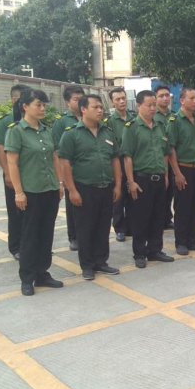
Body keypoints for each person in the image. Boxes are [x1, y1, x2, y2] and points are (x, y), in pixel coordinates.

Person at [4, 89, 65, 296]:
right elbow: (12, 163)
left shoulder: (47, 130)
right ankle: (27, 278)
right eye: (38, 105)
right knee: (29, 236)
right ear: (25, 106)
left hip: (50, 189)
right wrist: (18, 192)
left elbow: (55, 158)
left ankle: (42, 273)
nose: (42, 109)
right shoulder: (16, 131)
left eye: (44, 105)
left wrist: (59, 183)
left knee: (46, 234)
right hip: (30, 192)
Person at [58, 94, 123, 280]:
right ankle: (87, 265)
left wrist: (118, 185)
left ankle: (101, 262)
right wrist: (72, 190)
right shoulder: (71, 134)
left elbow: (115, 159)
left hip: (106, 187)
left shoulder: (107, 132)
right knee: (85, 228)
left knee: (103, 226)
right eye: (95, 107)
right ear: (83, 109)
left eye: (101, 107)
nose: (100, 110)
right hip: (84, 188)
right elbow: (64, 163)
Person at [122, 90, 174, 268]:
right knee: (140, 218)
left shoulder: (160, 126)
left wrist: (165, 175)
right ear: (138, 106)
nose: (153, 108)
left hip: (159, 178)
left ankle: (155, 250)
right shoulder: (131, 128)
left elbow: (165, 152)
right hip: (141, 179)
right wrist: (131, 182)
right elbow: (127, 157)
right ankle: (139, 253)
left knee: (158, 216)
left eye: (154, 105)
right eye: (149, 105)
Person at [168, 87, 195, 255]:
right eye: (191, 98)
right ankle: (181, 242)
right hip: (183, 169)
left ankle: (192, 240)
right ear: (182, 100)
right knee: (183, 208)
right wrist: (177, 173)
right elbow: (171, 149)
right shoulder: (175, 121)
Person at [0, 83, 31, 260]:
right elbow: (0, 149)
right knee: (16, 212)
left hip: (31, 174)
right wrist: (8, 173)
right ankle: (16, 247)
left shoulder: (34, 120)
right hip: (13, 173)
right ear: (15, 100)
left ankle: (31, 244)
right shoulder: (5, 121)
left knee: (32, 212)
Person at [52, 85, 85, 251]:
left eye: (81, 99)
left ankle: (87, 236)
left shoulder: (90, 116)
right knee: (73, 206)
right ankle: (74, 237)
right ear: (67, 102)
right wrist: (62, 178)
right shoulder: (61, 121)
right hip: (70, 171)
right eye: (75, 99)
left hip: (88, 170)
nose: (79, 102)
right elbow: (58, 152)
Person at [105, 87, 136, 242]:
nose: (122, 101)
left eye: (123, 98)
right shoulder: (109, 122)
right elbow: (110, 145)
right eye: (118, 99)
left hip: (133, 162)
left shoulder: (135, 119)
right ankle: (119, 228)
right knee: (118, 197)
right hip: (118, 163)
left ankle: (131, 226)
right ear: (112, 102)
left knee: (133, 196)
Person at [153, 84, 176, 230]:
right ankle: (158, 219)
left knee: (170, 191)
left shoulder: (174, 115)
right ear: (155, 98)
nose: (165, 98)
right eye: (161, 96)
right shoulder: (152, 115)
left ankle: (167, 218)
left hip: (173, 157)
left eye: (167, 95)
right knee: (159, 191)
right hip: (158, 158)